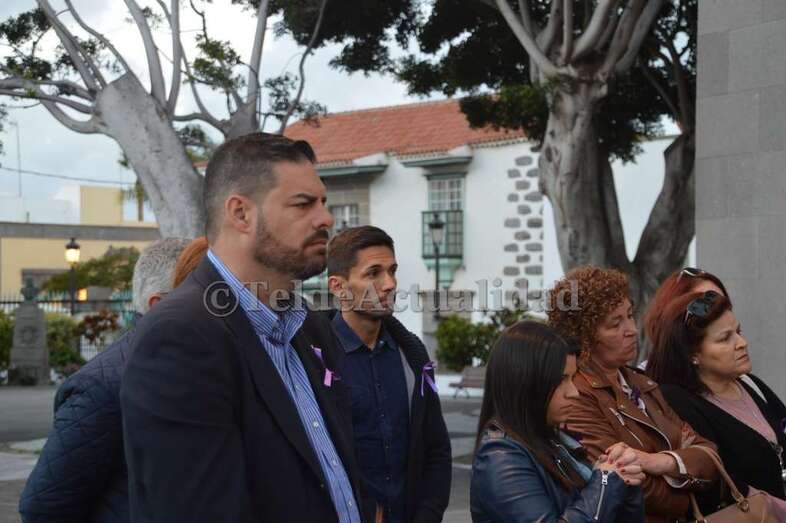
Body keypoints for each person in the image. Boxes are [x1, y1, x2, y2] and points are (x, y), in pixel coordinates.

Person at [121, 133, 366, 523]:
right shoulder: (180, 338)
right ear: (240, 214)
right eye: (303, 204)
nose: (326, 218)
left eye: (323, 202)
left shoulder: (311, 327)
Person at [18, 238, 192, 523]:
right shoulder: (103, 386)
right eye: (201, 295)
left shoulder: (198, 365)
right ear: (159, 305)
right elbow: (45, 506)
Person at [547, 266, 719, 523]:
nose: (632, 329)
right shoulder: (577, 395)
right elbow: (627, 483)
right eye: (615, 324)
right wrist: (690, 486)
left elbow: (709, 453)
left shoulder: (639, 380)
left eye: (629, 315)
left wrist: (660, 462)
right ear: (584, 337)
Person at [326, 226, 451, 523]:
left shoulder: (414, 356)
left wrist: (427, 515)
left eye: (392, 271)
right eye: (374, 273)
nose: (390, 284)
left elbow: (436, 448)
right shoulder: (316, 360)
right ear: (338, 287)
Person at [470, 321, 645, 522]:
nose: (574, 392)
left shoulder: (551, 441)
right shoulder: (501, 456)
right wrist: (605, 482)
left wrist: (625, 480)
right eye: (561, 380)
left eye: (572, 378)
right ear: (527, 382)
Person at [645, 288, 786, 518]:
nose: (742, 343)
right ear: (693, 354)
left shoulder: (750, 383)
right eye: (724, 339)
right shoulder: (677, 401)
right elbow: (717, 480)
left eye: (738, 332)